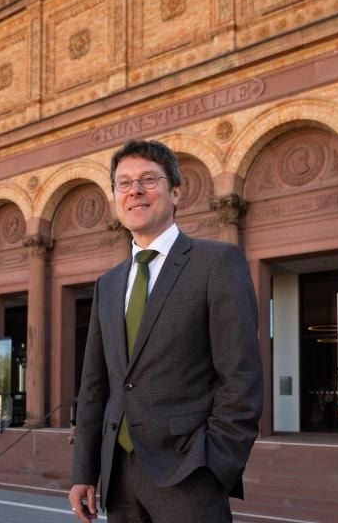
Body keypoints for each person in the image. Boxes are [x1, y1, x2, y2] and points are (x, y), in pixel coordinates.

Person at [69, 139, 263, 522]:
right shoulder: (108, 284)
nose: (135, 191)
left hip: (189, 473)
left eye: (148, 180)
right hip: (118, 478)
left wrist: (215, 464)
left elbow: (241, 376)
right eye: (124, 183)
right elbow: (94, 386)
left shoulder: (216, 263)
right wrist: (84, 472)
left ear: (175, 192)